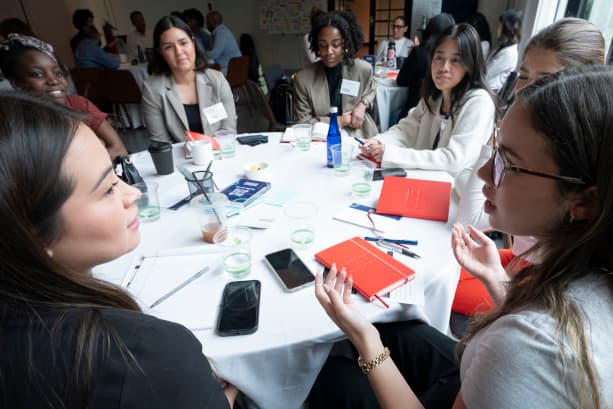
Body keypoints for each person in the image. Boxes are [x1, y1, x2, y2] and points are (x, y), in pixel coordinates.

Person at [310, 64, 613, 409]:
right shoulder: (585, 272)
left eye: (509, 164)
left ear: (585, 200)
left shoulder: (528, 348)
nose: (485, 171)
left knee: (331, 371)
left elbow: (522, 350)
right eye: (495, 151)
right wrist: (496, 279)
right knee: (399, 327)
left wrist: (367, 343)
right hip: (481, 371)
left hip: (492, 369)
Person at [0, 90, 239, 408]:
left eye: (117, 175)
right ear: (34, 234)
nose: (132, 193)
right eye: (108, 188)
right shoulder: (147, 358)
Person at [452, 18, 606, 318]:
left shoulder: (560, 172)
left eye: (547, 82)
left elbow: (470, 218)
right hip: (522, 266)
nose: (527, 94)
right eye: (523, 76)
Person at [361, 23, 494, 175]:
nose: (444, 67)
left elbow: (454, 161)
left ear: (470, 64)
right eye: (439, 57)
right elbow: (405, 131)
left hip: (455, 192)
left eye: (455, 60)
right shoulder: (434, 98)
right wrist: (379, 142)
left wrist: (390, 153)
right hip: (425, 181)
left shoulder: (478, 103)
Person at [0, 34, 128, 159]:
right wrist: (98, 147)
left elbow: (119, 149)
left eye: (57, 73)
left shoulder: (78, 105)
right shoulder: (17, 123)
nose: (54, 80)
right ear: (16, 83)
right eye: (37, 74)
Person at [142, 16, 236, 144]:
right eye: (169, 47)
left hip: (219, 155)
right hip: (178, 160)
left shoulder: (217, 80)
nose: (179, 52)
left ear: (193, 42)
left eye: (183, 43)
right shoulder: (152, 88)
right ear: (161, 53)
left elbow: (228, 131)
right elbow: (161, 143)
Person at [293, 10, 377, 139]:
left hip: (359, 136)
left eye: (336, 45)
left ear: (345, 44)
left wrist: (363, 104)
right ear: (316, 46)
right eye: (323, 45)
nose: (329, 52)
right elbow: (302, 123)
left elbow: (371, 89)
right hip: (320, 139)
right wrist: (341, 121)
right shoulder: (303, 79)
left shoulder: (362, 69)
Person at [395, 13, 455, 120]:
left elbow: (401, 80)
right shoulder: (452, 60)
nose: (444, 67)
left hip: (416, 112)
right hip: (435, 114)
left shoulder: (420, 52)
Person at [486, 9, 522, 92]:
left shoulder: (509, 53)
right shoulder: (504, 48)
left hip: (490, 92)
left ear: (506, 30)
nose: (497, 30)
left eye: (499, 26)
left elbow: (487, 74)